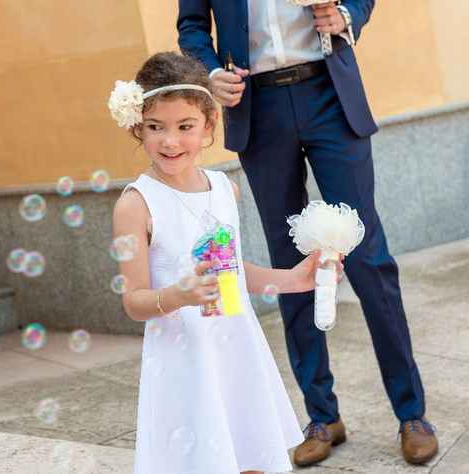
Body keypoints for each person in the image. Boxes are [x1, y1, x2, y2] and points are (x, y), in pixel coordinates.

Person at [177, 0, 438, 467]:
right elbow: (193, 24)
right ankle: (321, 417)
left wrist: (347, 15)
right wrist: (209, 69)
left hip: (330, 94)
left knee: (368, 258)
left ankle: (411, 414)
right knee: (288, 264)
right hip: (258, 106)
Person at [111, 51, 340, 474]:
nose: (170, 141)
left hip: (235, 345)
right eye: (155, 127)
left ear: (208, 126)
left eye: (185, 126)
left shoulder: (223, 188)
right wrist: (179, 295)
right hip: (184, 357)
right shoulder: (136, 204)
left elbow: (230, 271)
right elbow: (134, 300)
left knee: (249, 452)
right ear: (137, 127)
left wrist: (292, 279)